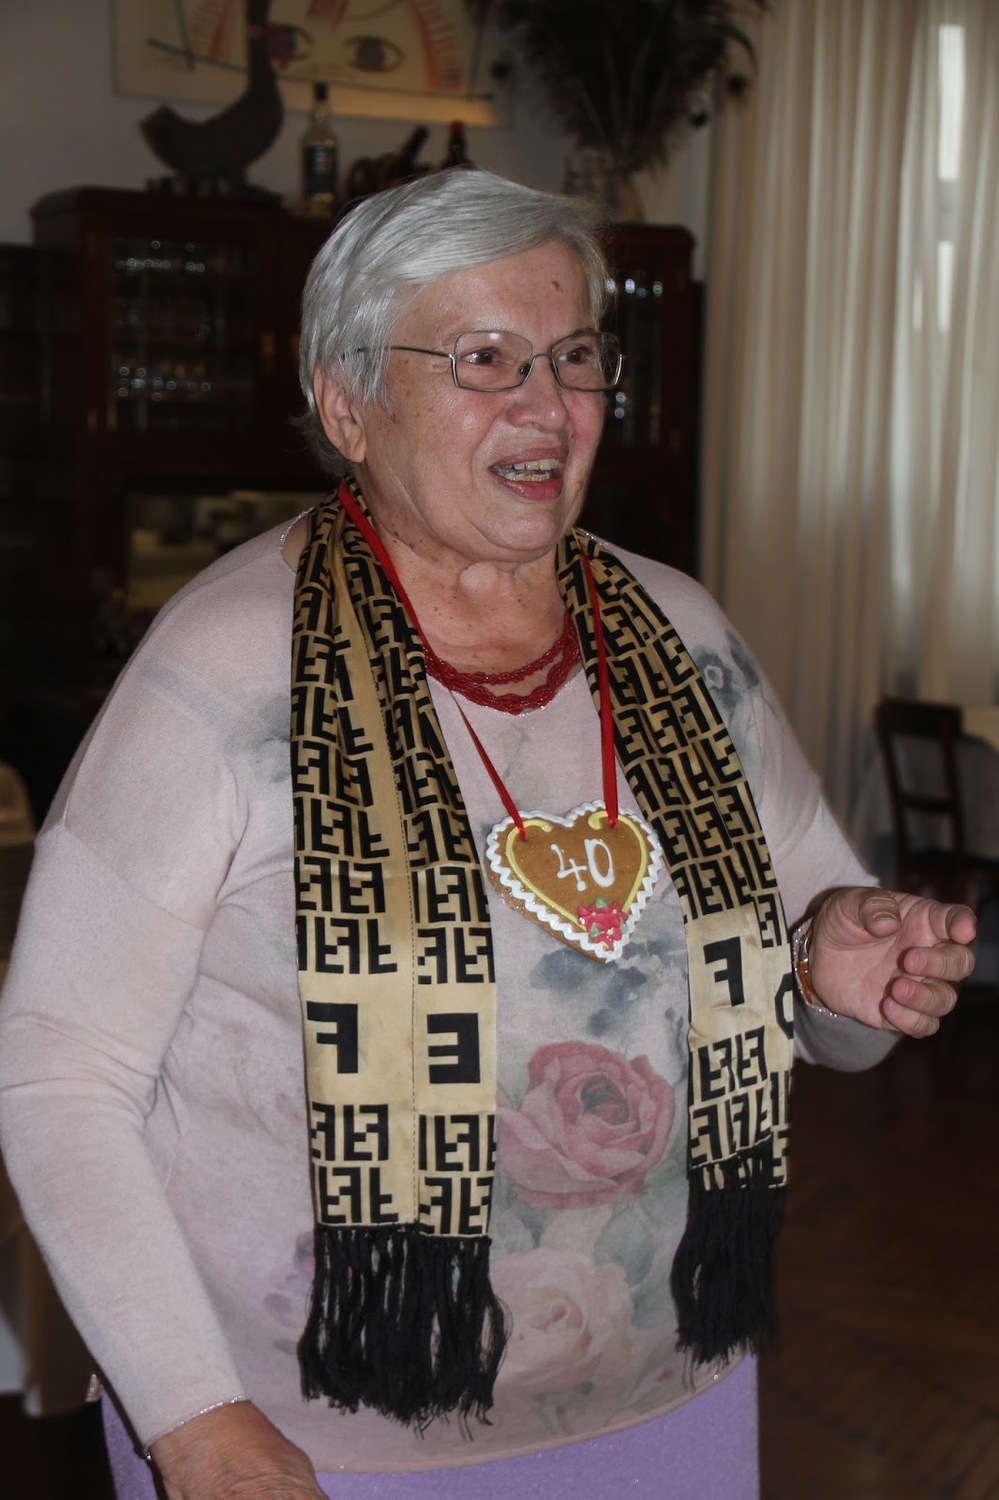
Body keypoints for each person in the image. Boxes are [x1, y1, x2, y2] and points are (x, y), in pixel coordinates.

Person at [0, 170, 975, 1500]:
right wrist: (194, 1417)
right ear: (348, 404)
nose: (546, 404)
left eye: (573, 355)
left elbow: (821, 991)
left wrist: (842, 971)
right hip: (309, 1434)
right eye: (482, 358)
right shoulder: (222, 673)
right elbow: (58, 1074)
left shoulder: (685, 639)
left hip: (673, 1390)